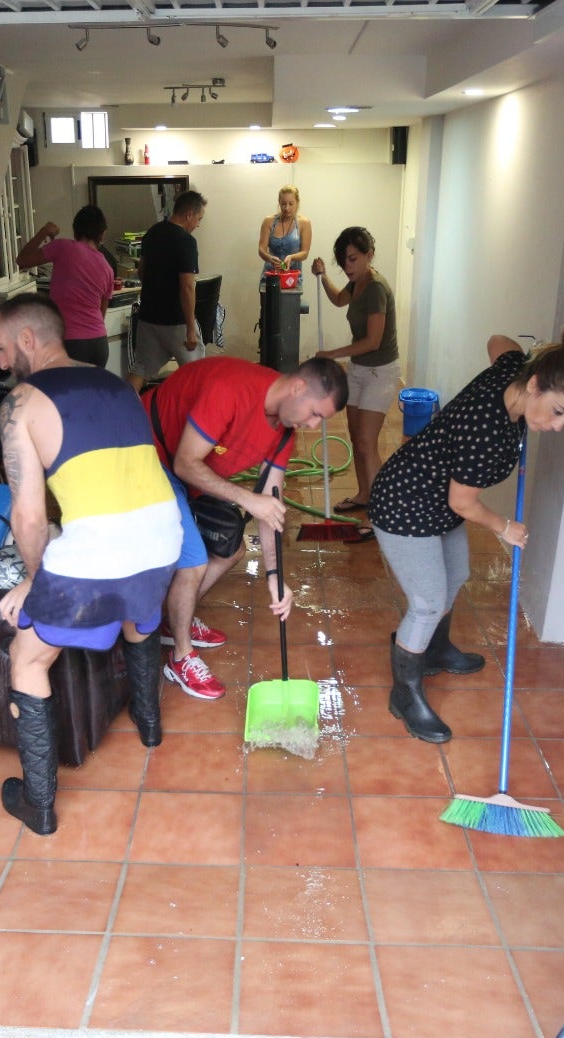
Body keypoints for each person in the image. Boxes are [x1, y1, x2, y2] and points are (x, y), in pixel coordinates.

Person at [0, 293, 182, 834]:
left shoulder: (20, 402)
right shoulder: (120, 383)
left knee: (29, 660)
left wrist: (34, 581)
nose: (2, 363)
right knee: (138, 619)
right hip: (163, 537)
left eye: (4, 349)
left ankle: (40, 803)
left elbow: (28, 517)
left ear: (28, 340)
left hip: (98, 555)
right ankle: (149, 726)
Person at [367, 321, 564, 743]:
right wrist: (505, 528)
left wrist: (529, 361)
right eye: (558, 411)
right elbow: (464, 503)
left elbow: (498, 340)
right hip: (405, 503)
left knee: (456, 576)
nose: (558, 427)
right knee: (426, 601)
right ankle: (404, 695)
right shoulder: (488, 432)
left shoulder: (513, 367)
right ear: (535, 385)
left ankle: (436, 651)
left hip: (435, 501)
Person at [144, 355, 349, 699]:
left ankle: (176, 618)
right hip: (149, 451)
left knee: (231, 548)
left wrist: (274, 577)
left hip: (190, 466)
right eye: (316, 414)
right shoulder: (231, 390)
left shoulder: (284, 432)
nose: (315, 426)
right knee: (193, 560)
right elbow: (184, 462)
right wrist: (246, 498)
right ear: (298, 387)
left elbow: (271, 506)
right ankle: (179, 656)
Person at [311, 227, 401, 519]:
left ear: (368, 255)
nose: (347, 266)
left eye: (353, 258)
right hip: (359, 369)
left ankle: (379, 511)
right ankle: (364, 494)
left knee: (366, 441)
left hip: (381, 372)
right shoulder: (357, 283)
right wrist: (323, 275)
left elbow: (373, 342)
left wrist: (331, 354)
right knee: (355, 437)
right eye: (343, 260)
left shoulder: (375, 288)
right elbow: (338, 300)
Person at [15, 205, 117, 369]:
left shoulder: (63, 247)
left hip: (71, 343)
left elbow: (22, 260)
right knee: (91, 394)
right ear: (101, 234)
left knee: (65, 392)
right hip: (99, 343)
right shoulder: (107, 268)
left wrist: (44, 231)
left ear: (76, 229)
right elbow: (101, 311)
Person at [129, 189, 207, 392]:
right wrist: (191, 328)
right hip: (176, 321)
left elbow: (141, 271)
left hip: (148, 317)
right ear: (189, 214)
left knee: (141, 368)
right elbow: (187, 286)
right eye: (198, 219)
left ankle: (123, 411)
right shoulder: (186, 242)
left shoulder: (152, 233)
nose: (198, 225)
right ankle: (193, 417)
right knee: (196, 372)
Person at [257, 185, 312, 278]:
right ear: (279, 202)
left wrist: (291, 257)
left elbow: (305, 253)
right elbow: (261, 249)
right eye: (283, 204)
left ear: (297, 203)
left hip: (292, 278)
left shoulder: (304, 223)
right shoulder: (269, 221)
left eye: (291, 204)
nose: (287, 208)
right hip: (271, 276)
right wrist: (270, 258)